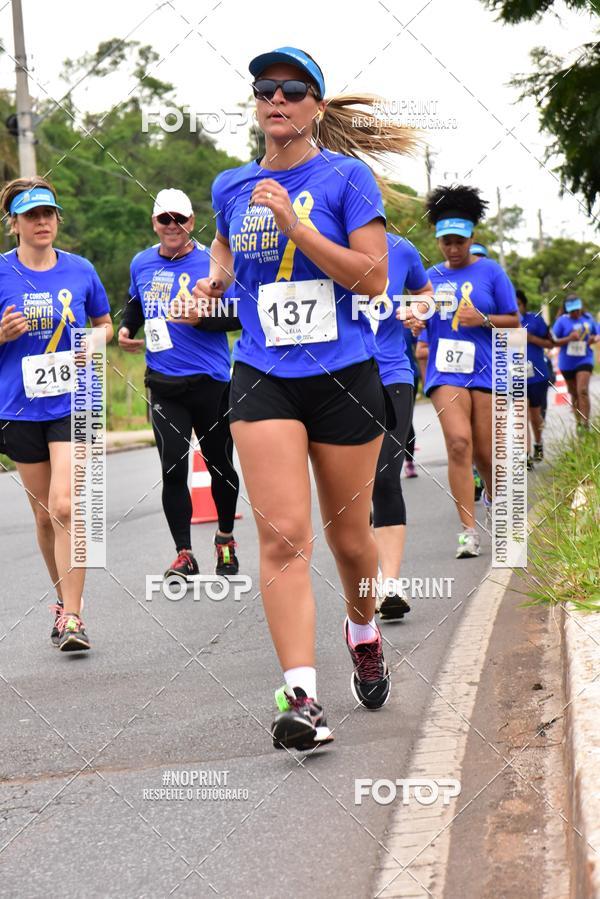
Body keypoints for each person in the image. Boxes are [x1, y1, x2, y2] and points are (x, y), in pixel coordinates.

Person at [183, 46, 417, 751]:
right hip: (263, 374)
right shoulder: (232, 184)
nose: (276, 99)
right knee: (283, 534)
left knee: (351, 542)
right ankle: (303, 696)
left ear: (316, 105)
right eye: (265, 89)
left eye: (292, 89)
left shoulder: (346, 177)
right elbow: (224, 248)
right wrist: (215, 281)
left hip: (344, 374)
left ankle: (363, 629)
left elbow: (373, 278)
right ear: (256, 103)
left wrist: (297, 228)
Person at [0, 177, 113, 650]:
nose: (41, 222)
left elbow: (105, 324)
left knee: (66, 505)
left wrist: (94, 341)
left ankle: (74, 617)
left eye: (48, 213)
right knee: (46, 516)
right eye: (31, 215)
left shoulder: (81, 269)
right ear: (14, 224)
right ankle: (63, 602)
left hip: (74, 401)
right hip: (19, 406)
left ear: (57, 219)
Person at [118, 189, 241, 579]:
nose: (172, 226)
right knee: (173, 468)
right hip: (164, 384)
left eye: (180, 219)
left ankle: (225, 538)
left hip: (211, 382)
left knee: (220, 465)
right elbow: (135, 302)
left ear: (192, 222)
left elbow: (240, 315)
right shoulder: (141, 262)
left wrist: (201, 320)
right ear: (154, 223)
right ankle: (184, 553)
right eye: (164, 219)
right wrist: (127, 328)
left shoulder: (213, 262)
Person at [421, 185, 520, 558]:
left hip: (486, 370)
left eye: (459, 241)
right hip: (445, 371)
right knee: (459, 443)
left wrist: (483, 319)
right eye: (446, 242)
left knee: (486, 452)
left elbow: (514, 320)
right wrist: (413, 320)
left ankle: (496, 504)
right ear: (438, 241)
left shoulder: (491, 271)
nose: (453, 248)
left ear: (471, 237)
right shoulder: (429, 277)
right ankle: (467, 531)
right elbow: (417, 318)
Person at [368, 233, 432, 619]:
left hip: (393, 373)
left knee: (385, 476)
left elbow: (425, 292)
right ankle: (369, 575)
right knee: (352, 488)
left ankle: (390, 583)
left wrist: (418, 311)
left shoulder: (402, 249)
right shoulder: (321, 242)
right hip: (339, 379)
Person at [516, 289, 553, 463]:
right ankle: (526, 455)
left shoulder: (535, 320)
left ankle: (538, 443)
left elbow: (550, 343)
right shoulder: (502, 323)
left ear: (524, 305)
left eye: (518, 304)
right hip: (515, 376)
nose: (515, 308)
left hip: (537, 376)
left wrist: (531, 339)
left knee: (535, 416)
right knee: (521, 414)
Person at [551, 295, 598, 429]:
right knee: (574, 393)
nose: (575, 313)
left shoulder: (588, 318)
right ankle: (579, 424)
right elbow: (553, 341)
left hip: (585, 358)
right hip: (567, 363)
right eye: (572, 310)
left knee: (582, 390)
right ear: (567, 310)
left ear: (581, 307)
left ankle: (586, 424)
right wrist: (568, 338)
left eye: (577, 309)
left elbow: (597, 333)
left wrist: (594, 338)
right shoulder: (561, 321)